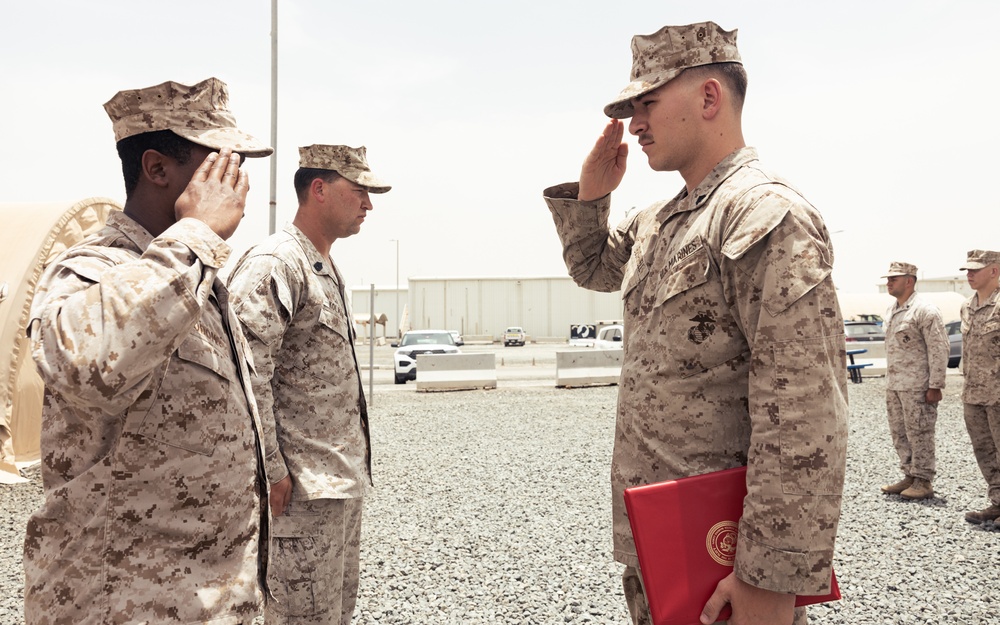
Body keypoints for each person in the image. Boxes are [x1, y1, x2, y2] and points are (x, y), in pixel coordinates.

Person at [543, 22, 847, 625]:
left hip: (726, 557)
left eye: (648, 102)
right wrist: (591, 198)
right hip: (664, 539)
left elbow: (806, 411)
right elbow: (594, 267)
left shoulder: (763, 214)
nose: (635, 124)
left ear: (709, 98)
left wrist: (769, 576)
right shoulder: (663, 219)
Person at [23, 77, 272, 624]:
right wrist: (198, 233)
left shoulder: (189, 273)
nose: (240, 182)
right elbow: (87, 362)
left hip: (205, 598)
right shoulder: (96, 267)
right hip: (123, 602)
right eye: (221, 163)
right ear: (158, 169)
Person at [227, 144, 390, 624]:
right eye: (359, 190)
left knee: (332, 615)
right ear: (318, 189)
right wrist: (271, 469)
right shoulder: (276, 263)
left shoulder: (323, 266)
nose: (368, 204)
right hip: (298, 494)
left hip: (334, 487)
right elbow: (246, 373)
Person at [879, 262, 949, 500]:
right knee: (899, 432)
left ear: (909, 281)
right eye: (888, 279)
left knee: (920, 432)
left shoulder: (924, 310)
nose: (888, 282)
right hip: (896, 384)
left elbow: (938, 348)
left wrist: (935, 385)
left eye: (894, 279)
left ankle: (923, 480)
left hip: (918, 386)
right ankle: (909, 474)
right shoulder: (892, 310)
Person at [958, 249, 1000, 524]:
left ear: (994, 271)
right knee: (985, 451)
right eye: (968, 270)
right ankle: (997, 503)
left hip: (998, 395)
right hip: (974, 394)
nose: (969, 274)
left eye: (976, 269)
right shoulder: (967, 306)